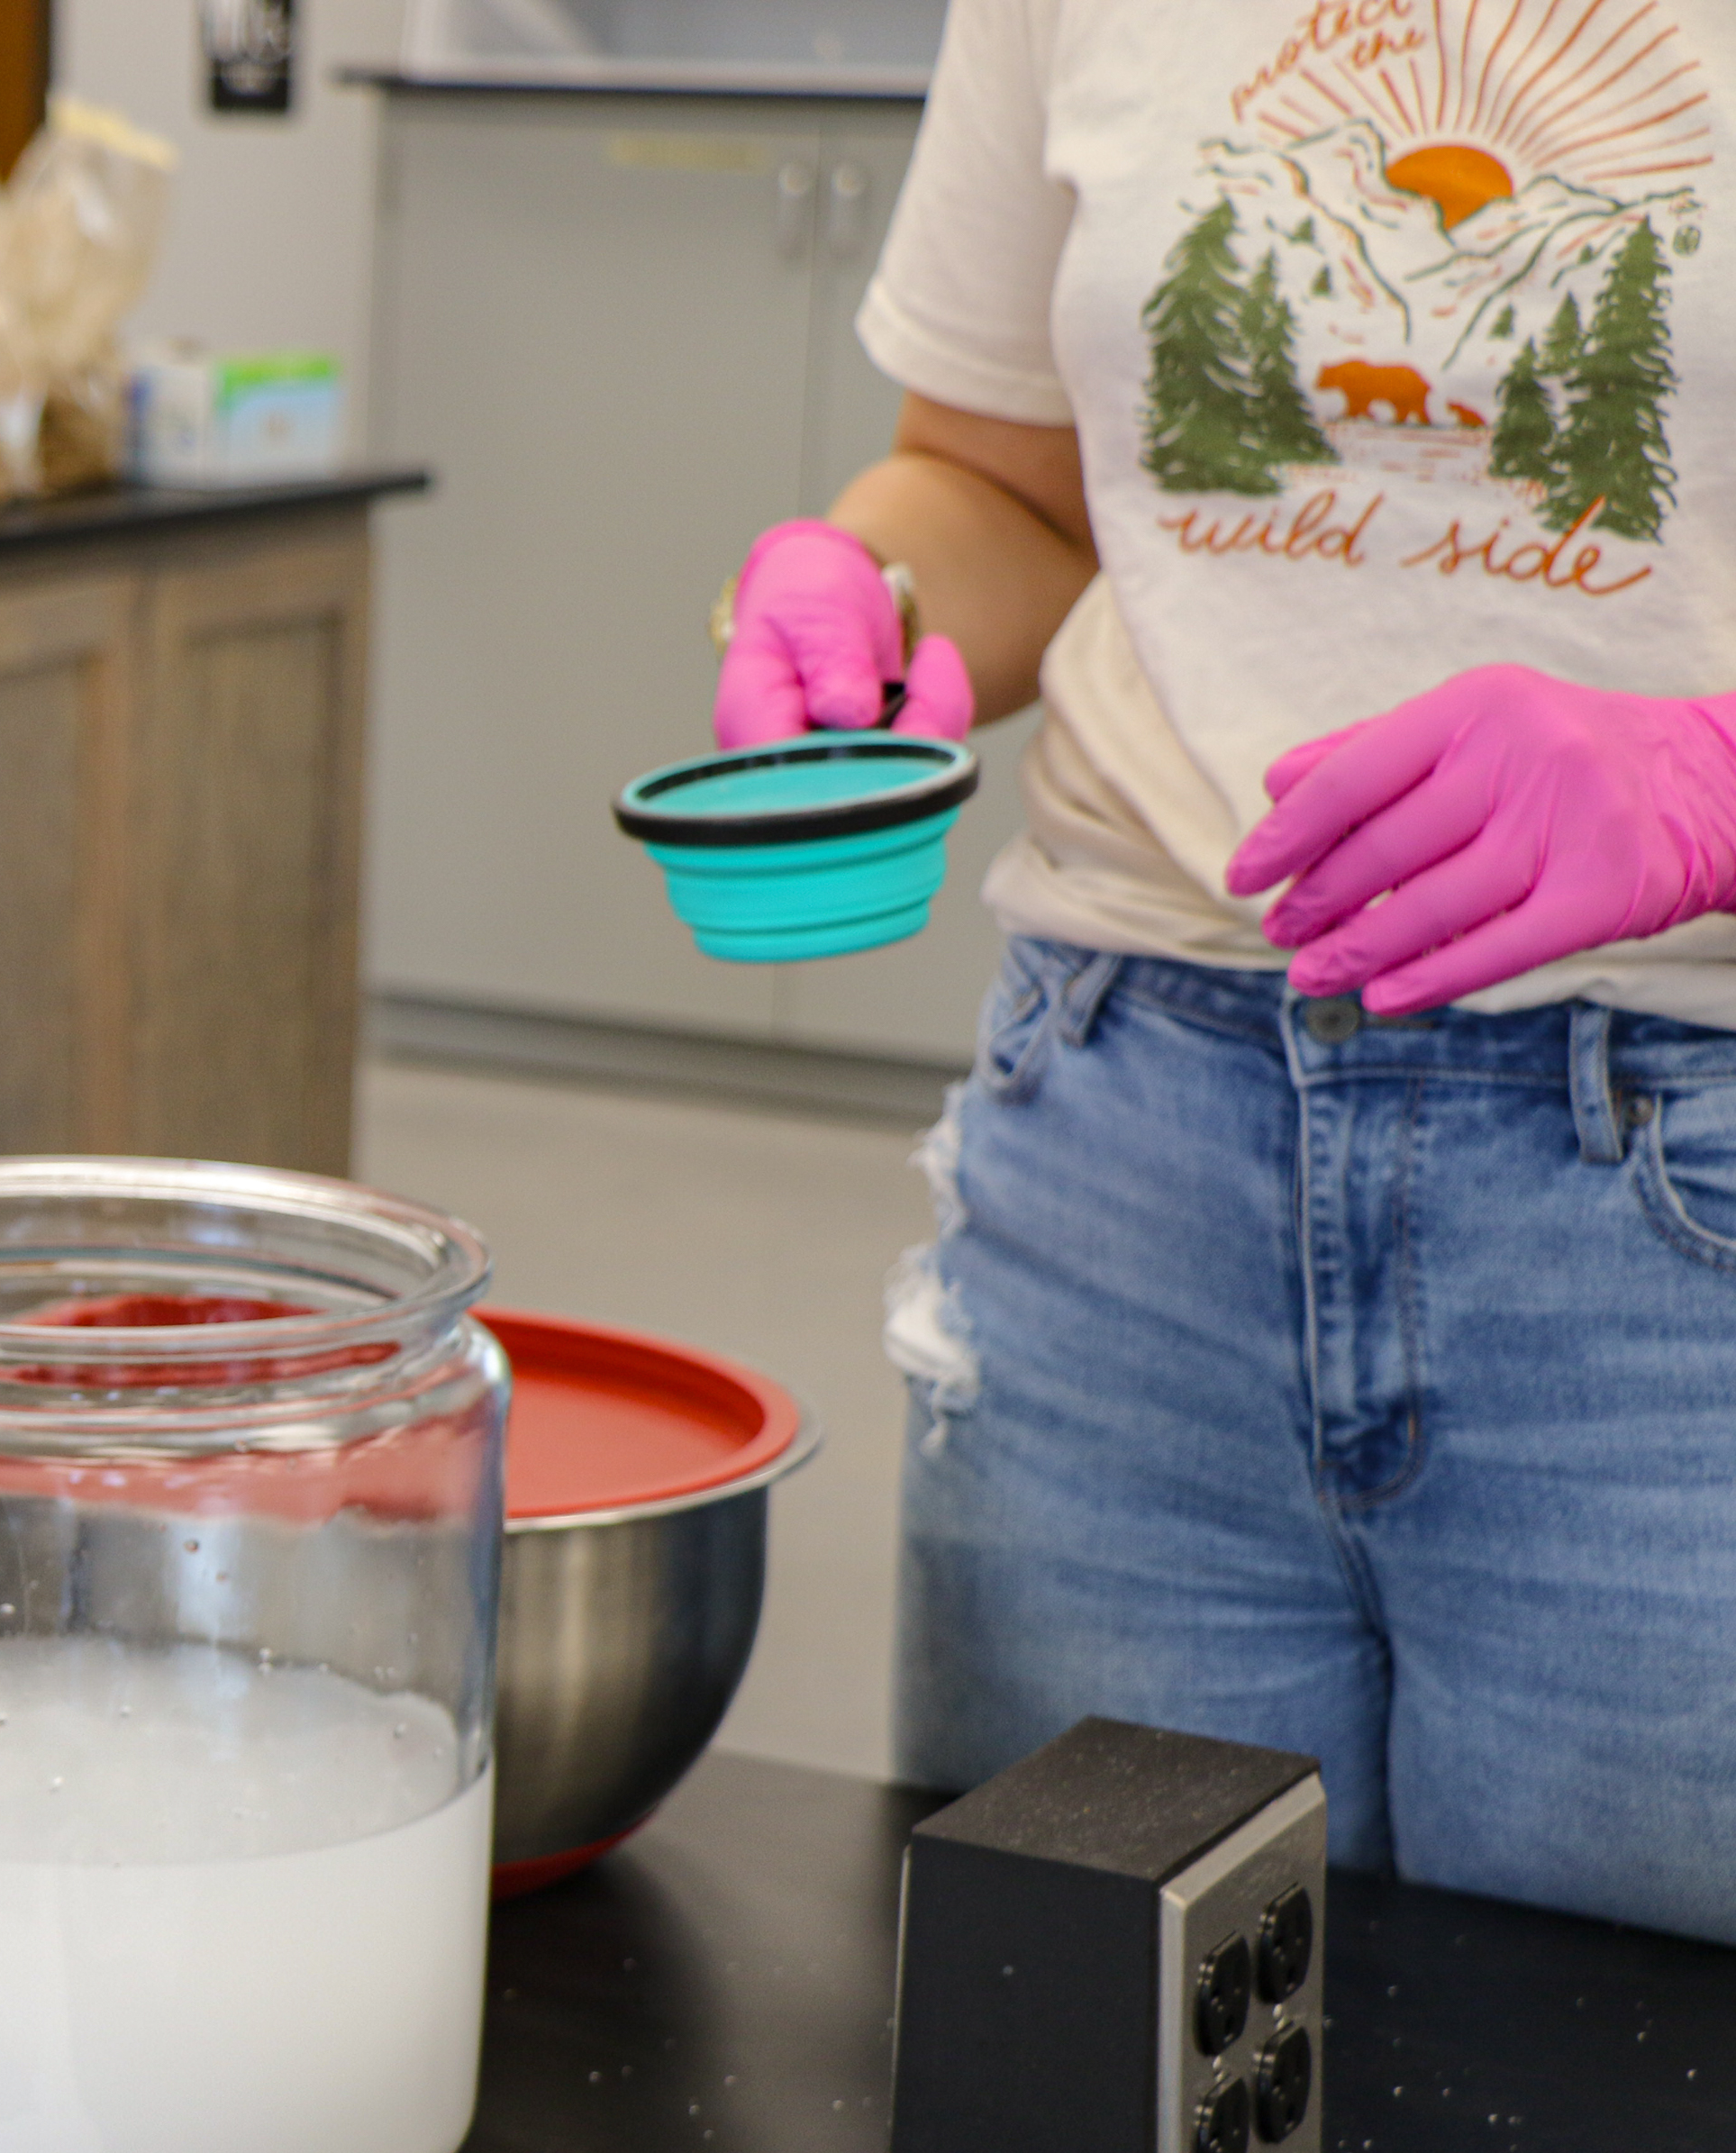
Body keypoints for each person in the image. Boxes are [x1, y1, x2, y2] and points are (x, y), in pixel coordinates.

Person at [719, 0, 1736, 1945]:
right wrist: (875, 585)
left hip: (1672, 1201)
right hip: (1124, 1156)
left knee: (1637, 2138)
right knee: (1070, 2091)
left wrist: (1702, 780)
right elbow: (1006, 488)